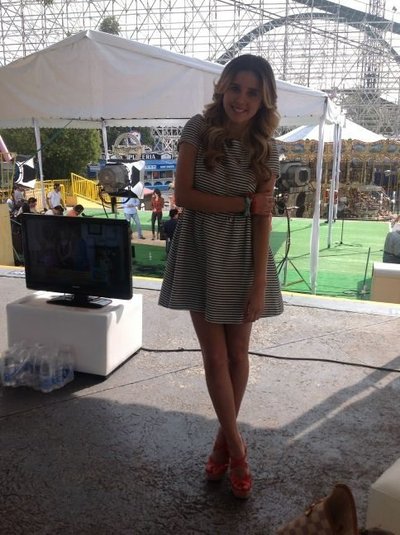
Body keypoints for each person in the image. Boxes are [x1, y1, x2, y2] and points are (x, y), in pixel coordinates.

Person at [158, 55, 283, 499]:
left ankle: (221, 444)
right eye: (236, 88)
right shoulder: (198, 129)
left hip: (244, 255)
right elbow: (183, 195)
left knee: (237, 354)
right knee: (214, 357)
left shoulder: (266, 148)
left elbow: (264, 219)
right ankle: (238, 449)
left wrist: (259, 283)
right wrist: (243, 205)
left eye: (253, 92)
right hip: (200, 250)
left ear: (264, 100)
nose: (241, 99)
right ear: (223, 88)